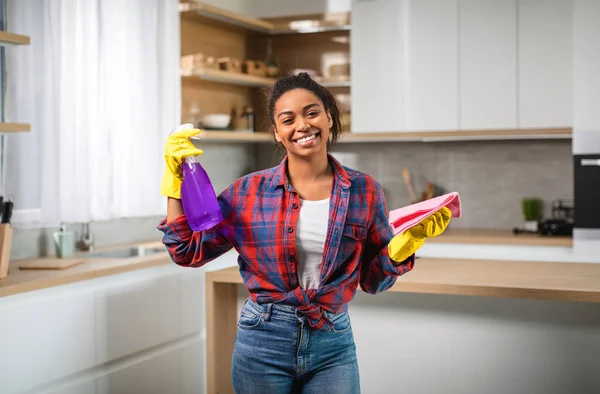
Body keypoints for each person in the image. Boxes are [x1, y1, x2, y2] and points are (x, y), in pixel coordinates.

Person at [158, 72, 451, 393]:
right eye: (288, 119)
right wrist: (175, 183)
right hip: (263, 341)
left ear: (328, 116)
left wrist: (403, 247)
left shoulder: (365, 190)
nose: (302, 125)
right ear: (277, 133)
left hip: (332, 342)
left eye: (311, 112)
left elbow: (372, 281)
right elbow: (187, 251)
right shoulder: (247, 192)